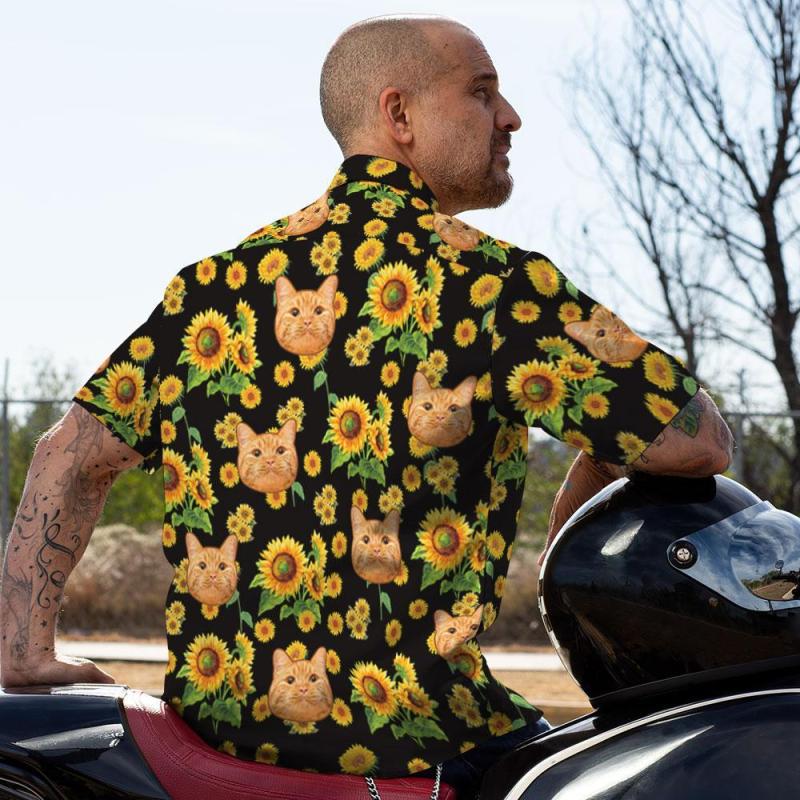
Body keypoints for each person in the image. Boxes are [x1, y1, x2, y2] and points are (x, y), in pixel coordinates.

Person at [0, 13, 733, 800]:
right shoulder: (496, 287)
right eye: (481, 92)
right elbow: (696, 442)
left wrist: (23, 652)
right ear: (399, 115)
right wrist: (597, 458)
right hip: (427, 746)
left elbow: (67, 456)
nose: (511, 116)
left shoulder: (211, 291)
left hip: (219, 746)